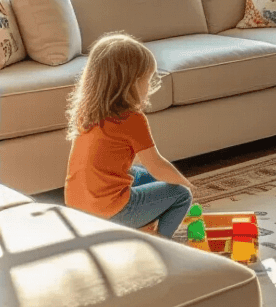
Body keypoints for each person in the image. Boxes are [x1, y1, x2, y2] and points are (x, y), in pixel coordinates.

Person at [65, 33, 192, 238]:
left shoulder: (87, 111)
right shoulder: (132, 119)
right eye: (146, 80)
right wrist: (185, 183)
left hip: (78, 208)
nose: (149, 86)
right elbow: (157, 165)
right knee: (180, 195)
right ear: (129, 84)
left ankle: (139, 223)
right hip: (110, 212)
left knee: (138, 174)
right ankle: (159, 239)